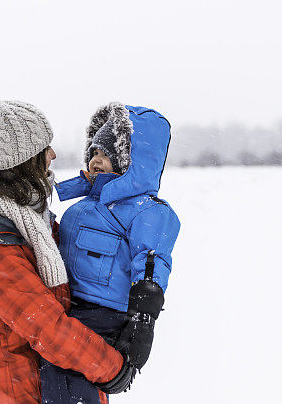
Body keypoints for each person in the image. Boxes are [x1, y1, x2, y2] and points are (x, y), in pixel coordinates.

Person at [0, 100, 135, 404]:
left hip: (61, 385)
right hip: (25, 394)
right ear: (18, 162)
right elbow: (47, 327)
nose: (53, 154)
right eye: (43, 148)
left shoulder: (27, 222)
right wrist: (113, 368)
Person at [39, 102, 181, 403]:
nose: (95, 160)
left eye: (106, 154)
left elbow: (152, 265)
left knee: (69, 380)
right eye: (93, 152)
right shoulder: (83, 205)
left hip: (106, 316)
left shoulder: (146, 212)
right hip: (70, 307)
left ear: (131, 162)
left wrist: (143, 321)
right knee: (53, 377)